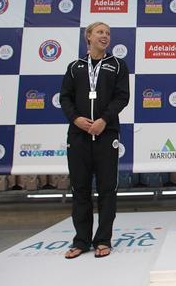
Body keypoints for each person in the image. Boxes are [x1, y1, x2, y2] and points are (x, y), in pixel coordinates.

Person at [60, 22, 130, 258]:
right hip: (78, 135)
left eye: (108, 33)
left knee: (107, 190)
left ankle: (103, 240)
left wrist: (103, 120)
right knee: (80, 189)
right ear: (88, 37)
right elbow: (65, 98)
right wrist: (77, 119)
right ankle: (81, 241)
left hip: (106, 134)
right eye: (100, 32)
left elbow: (122, 97)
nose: (105, 36)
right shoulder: (75, 67)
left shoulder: (118, 65)